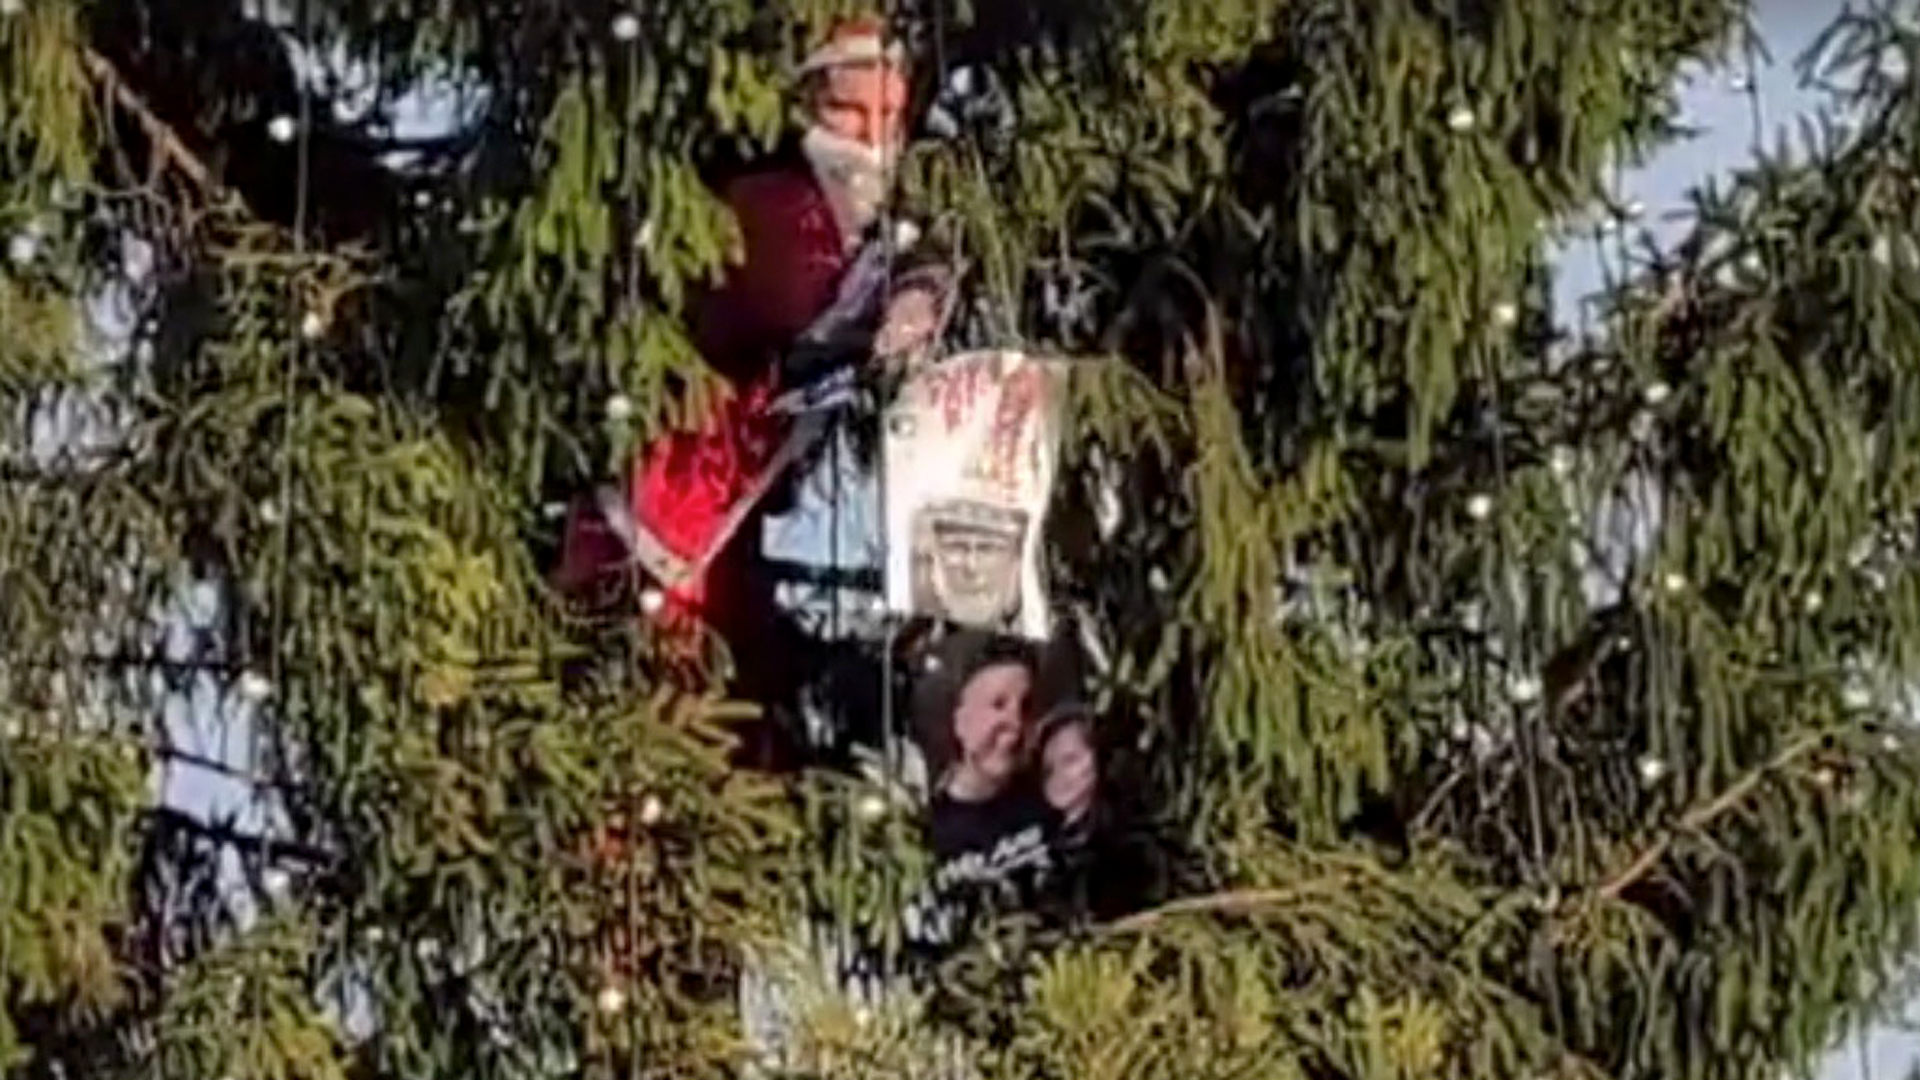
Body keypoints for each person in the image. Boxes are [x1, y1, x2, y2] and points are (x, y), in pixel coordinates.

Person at [555, 16, 938, 762]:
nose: (871, 141)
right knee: (659, 730)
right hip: (656, 528)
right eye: (850, 113)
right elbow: (805, 312)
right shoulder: (771, 210)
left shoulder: (859, 224)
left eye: (889, 119)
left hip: (722, 530)